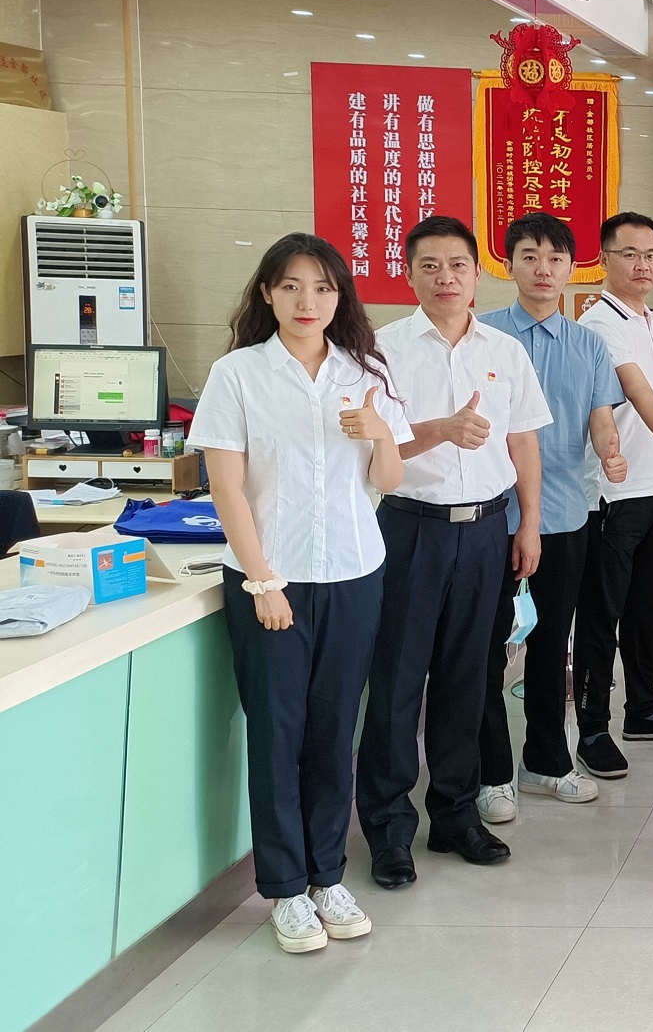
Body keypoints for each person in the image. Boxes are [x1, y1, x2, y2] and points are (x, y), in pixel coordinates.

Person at [192, 234, 409, 954]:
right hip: (272, 579)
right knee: (277, 733)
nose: (306, 301)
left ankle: (327, 877)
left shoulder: (365, 370)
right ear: (267, 294)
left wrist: (380, 431)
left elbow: (388, 480)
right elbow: (227, 487)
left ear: (339, 295)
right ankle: (285, 889)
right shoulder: (237, 374)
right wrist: (262, 580)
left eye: (321, 287)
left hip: (353, 571)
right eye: (290, 286)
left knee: (333, 731)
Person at [359, 215, 553, 889]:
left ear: (477, 274)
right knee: (397, 683)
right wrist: (440, 429)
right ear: (409, 274)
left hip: (486, 532)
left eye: (458, 265)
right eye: (431, 265)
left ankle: (454, 814)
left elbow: (523, 442)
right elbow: (373, 450)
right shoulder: (379, 351)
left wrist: (529, 524)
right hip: (410, 529)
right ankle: (389, 829)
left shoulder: (505, 350)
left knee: (468, 680)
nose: (446, 277)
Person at [474, 213, 628, 823]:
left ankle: (545, 761)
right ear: (508, 265)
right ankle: (491, 774)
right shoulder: (484, 336)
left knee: (549, 642)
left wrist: (611, 452)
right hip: (490, 516)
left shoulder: (589, 345)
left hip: (564, 515)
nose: (543, 269)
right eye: (530, 256)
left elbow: (601, 418)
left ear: (573, 268)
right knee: (486, 648)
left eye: (556, 259)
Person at [573, 212, 653, 777]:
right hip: (615, 491)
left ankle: (643, 710)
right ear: (606, 259)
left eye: (652, 255)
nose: (643, 265)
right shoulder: (600, 322)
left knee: (651, 609)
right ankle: (592, 727)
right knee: (602, 614)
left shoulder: (650, 319)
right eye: (630, 254)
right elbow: (638, 391)